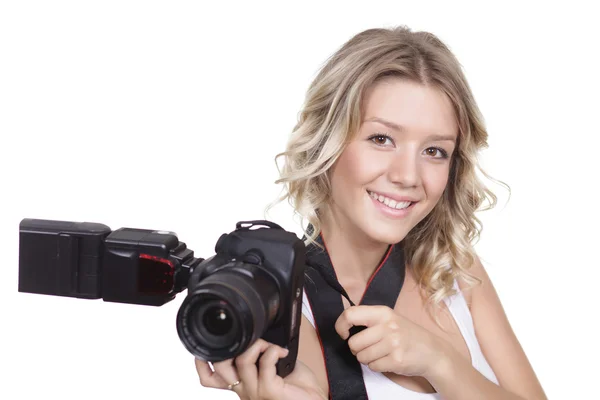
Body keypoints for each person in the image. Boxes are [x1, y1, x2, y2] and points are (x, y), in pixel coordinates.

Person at [194, 25, 547, 400]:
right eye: (381, 139)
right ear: (327, 142)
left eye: (434, 151)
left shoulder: (454, 271)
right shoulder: (287, 309)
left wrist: (438, 361)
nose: (408, 176)